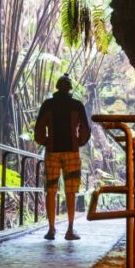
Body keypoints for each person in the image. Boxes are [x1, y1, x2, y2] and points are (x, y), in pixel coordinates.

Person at [33, 74, 91, 240]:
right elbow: (85, 129)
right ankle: (70, 230)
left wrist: (46, 141)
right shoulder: (77, 105)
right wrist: (78, 142)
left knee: (50, 191)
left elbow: (38, 129)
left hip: (52, 152)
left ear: (57, 87)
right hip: (71, 152)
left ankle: (51, 229)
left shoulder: (48, 104)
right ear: (70, 88)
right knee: (71, 191)